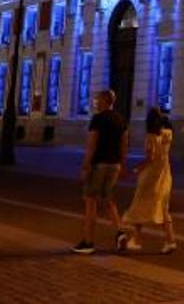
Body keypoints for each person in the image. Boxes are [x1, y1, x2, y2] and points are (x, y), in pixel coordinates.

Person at [72, 90, 127, 255]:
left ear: (105, 101)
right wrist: (121, 164)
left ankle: (88, 242)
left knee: (90, 202)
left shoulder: (97, 119)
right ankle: (120, 232)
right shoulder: (120, 120)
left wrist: (85, 165)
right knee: (109, 200)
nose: (95, 102)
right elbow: (124, 144)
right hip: (114, 165)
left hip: (98, 165)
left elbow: (92, 144)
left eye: (97, 99)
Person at [120, 107, 176, 254]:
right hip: (165, 174)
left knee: (140, 203)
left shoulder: (151, 137)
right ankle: (168, 240)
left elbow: (150, 158)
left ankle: (140, 239)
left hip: (151, 175)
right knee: (162, 206)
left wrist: (136, 169)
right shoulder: (168, 134)